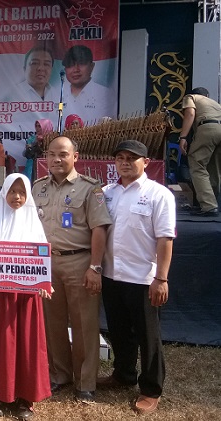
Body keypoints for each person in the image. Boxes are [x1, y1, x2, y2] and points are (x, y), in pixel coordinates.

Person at [33, 136, 112, 403]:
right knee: (51, 323)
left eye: (63, 154)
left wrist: (95, 267)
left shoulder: (90, 189)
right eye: (52, 154)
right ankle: (59, 375)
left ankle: (85, 381)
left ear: (75, 157)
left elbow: (99, 228)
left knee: (84, 324)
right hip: (46, 264)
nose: (56, 159)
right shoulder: (37, 188)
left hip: (80, 262)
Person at [99, 140, 175, 415]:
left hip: (143, 278)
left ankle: (151, 388)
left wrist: (161, 279)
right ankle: (124, 374)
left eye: (132, 158)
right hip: (112, 274)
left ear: (146, 162)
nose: (125, 162)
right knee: (119, 332)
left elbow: (165, 238)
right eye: (120, 158)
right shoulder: (107, 193)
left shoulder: (159, 194)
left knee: (148, 336)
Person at [0, 173, 52, 420]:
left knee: (27, 343)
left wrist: (44, 284)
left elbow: (42, 261)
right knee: (1, 342)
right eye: (12, 192)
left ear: (28, 195)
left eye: (22, 192)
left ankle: (25, 398)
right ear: (4, 193)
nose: (17, 197)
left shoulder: (33, 222)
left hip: (27, 297)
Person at [179, 86, 221, 216]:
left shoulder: (191, 97)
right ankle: (214, 203)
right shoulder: (216, 103)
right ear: (207, 96)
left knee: (197, 165)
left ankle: (208, 206)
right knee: (214, 169)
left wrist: (183, 137)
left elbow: (190, 114)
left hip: (207, 128)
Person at [62, 45, 117, 124]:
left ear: (92, 66)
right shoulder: (58, 93)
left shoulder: (105, 94)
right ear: (65, 69)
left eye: (81, 63)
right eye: (70, 64)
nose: (76, 69)